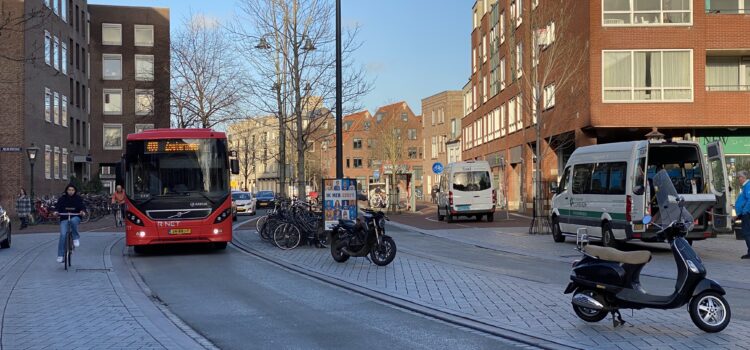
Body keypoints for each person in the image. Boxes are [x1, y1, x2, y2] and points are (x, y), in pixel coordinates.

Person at [55, 184, 86, 263]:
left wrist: (82, 212)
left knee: (72, 221)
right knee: (62, 235)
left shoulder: (78, 198)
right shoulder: (62, 199)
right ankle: (60, 255)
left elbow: (82, 207)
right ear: (66, 190)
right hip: (64, 218)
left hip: (75, 217)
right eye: (69, 190)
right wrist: (56, 212)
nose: (71, 191)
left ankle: (75, 237)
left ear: (75, 191)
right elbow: (57, 207)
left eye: (72, 190)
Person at [734, 170, 750, 260]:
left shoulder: (748, 186)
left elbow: (749, 200)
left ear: (743, 178)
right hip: (745, 213)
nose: (738, 179)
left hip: (747, 213)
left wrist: (744, 211)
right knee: (747, 233)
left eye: (739, 177)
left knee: (747, 233)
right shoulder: (745, 187)